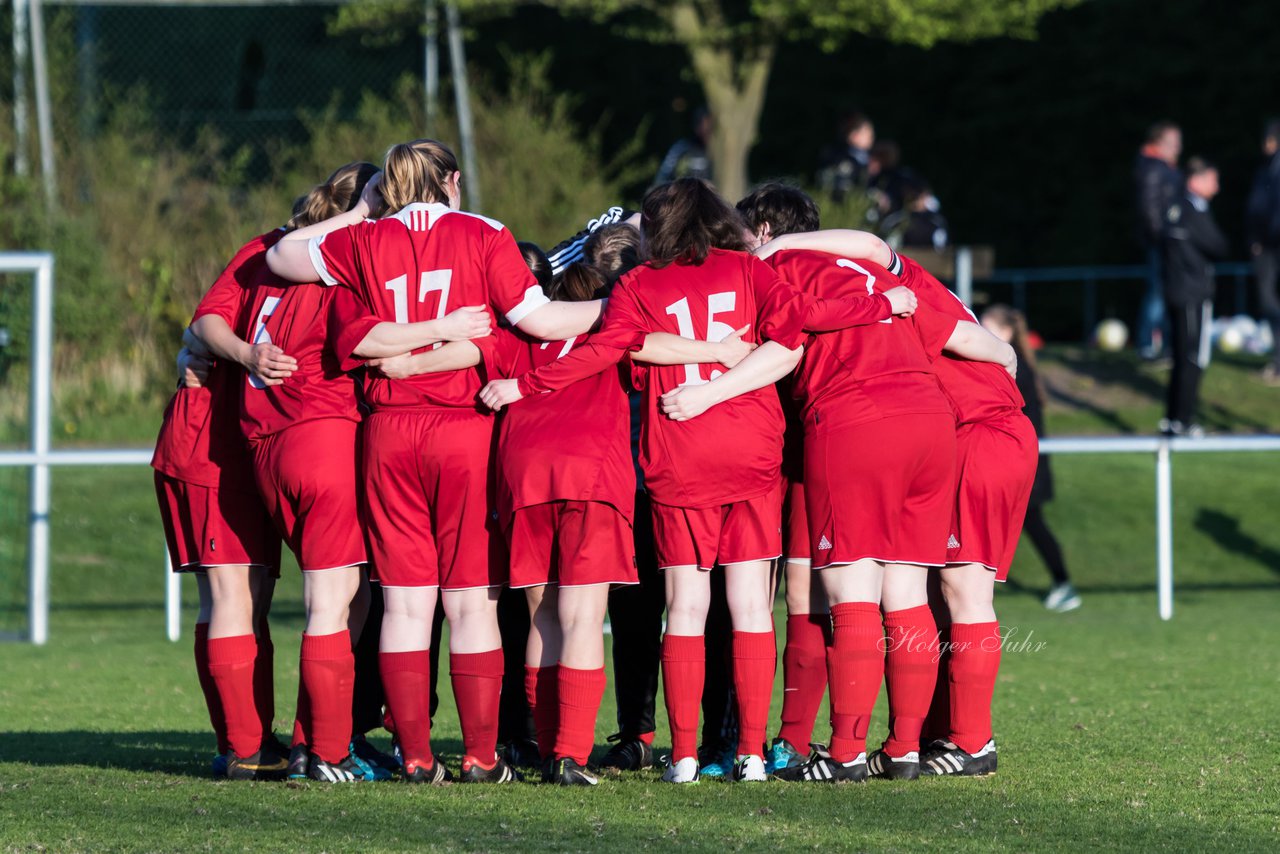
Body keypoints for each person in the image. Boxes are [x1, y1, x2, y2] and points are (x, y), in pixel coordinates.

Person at [479, 179, 906, 784]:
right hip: (752, 449)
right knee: (753, 604)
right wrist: (882, 304)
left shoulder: (638, 282)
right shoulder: (750, 271)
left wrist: (527, 384)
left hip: (677, 452)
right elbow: (799, 327)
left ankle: (681, 757)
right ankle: (750, 755)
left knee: (684, 606)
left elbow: (606, 349)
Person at [265, 138, 607, 784]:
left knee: (404, 605)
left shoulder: (363, 241)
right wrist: (616, 309)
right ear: (452, 180)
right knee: (471, 603)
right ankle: (480, 757)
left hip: (387, 434)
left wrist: (361, 211)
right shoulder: (483, 232)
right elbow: (537, 320)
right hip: (463, 429)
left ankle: (418, 757)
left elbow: (282, 255)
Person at [191, 162, 493, 782]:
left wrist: (243, 353)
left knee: (248, 600)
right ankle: (326, 750)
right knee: (336, 602)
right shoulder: (354, 263)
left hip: (259, 444)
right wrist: (444, 335)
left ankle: (261, 746)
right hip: (326, 438)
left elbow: (203, 325)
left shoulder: (264, 252)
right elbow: (367, 342)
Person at [741, 185, 1023, 781]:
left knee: (885, 592)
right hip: (977, 429)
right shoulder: (880, 280)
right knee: (919, 593)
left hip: (951, 428)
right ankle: (915, 746)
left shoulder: (838, 273)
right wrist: (1009, 367)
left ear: (765, 233)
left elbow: (867, 264)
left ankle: (885, 748)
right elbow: (981, 342)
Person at [152, 306, 281, 780]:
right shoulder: (266, 259)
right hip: (211, 452)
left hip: (240, 454)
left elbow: (197, 331)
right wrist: (228, 352)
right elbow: (201, 322)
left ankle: (247, 738)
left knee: (250, 598)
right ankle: (244, 746)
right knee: (231, 594)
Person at [980, 305, 1081, 613]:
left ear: (1007, 333)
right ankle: (980, 588)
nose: (980, 333)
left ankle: (1063, 583)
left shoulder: (1013, 368)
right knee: (1002, 523)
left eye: (987, 327)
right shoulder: (1014, 365)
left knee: (1031, 523)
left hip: (1025, 463)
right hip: (1020, 461)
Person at [1161, 157, 1229, 437]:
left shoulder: (1174, 209)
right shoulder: (1193, 211)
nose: (1216, 186)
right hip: (1192, 293)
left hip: (1177, 290)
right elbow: (1219, 245)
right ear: (1195, 181)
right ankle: (1184, 419)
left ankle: (1173, 418)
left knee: (1181, 355)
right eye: (1212, 179)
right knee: (1193, 356)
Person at [1135, 121, 1183, 360]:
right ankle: (1147, 344)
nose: (1178, 147)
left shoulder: (1163, 167)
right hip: (1162, 242)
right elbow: (1150, 208)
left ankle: (1163, 345)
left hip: (1166, 241)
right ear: (1159, 143)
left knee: (1163, 292)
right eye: (1173, 142)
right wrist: (1163, 238)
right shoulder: (1155, 168)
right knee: (1157, 293)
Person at [1245, 119, 1280, 384]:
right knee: (1267, 301)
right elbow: (1256, 208)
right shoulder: (1264, 171)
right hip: (1266, 244)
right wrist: (1255, 238)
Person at [816, 111, 874, 200]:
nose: (871, 138)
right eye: (867, 133)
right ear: (853, 135)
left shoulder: (864, 158)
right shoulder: (844, 159)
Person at [654, 107, 713, 186]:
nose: (707, 133)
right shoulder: (682, 148)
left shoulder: (712, 152)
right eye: (705, 129)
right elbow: (663, 175)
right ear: (696, 127)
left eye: (710, 129)